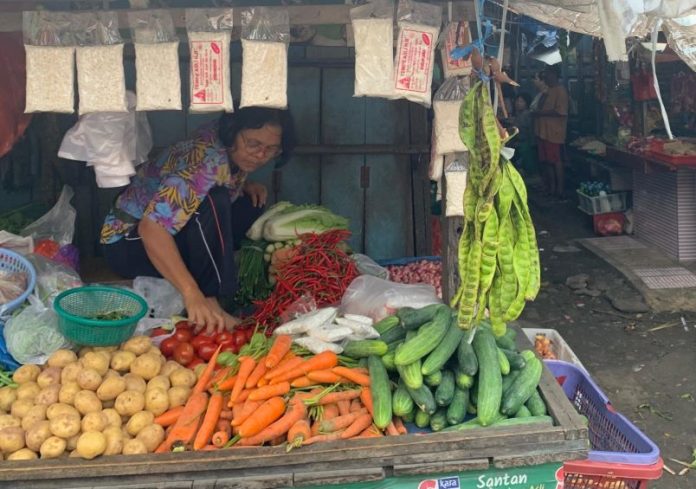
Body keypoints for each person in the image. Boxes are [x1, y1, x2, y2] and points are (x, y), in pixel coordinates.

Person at [100, 107, 295, 333]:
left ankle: (218, 290)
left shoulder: (228, 145)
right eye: (253, 144)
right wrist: (191, 293)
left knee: (248, 204)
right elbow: (150, 228)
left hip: (166, 231)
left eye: (271, 149)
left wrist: (242, 186)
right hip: (126, 244)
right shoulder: (203, 163)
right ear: (233, 133)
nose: (261, 155)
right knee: (213, 200)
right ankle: (212, 301)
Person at [533, 66, 568, 197]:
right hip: (543, 132)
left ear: (553, 75)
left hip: (554, 133)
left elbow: (561, 111)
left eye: (547, 74)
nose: (545, 77)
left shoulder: (561, 91)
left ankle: (560, 190)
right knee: (547, 162)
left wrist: (540, 113)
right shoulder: (547, 91)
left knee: (556, 161)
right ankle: (551, 188)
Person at [508, 92, 536, 176]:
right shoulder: (519, 114)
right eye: (517, 101)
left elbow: (521, 129)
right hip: (520, 143)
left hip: (525, 144)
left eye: (521, 101)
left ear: (527, 103)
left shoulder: (526, 114)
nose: (518, 103)